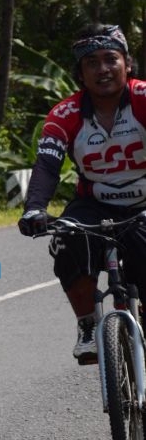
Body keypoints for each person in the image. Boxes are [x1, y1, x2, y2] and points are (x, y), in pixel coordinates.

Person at [19, 23, 146, 363]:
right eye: (92, 62)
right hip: (95, 203)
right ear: (80, 73)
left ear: (127, 64)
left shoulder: (143, 98)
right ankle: (88, 324)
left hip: (143, 204)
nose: (102, 69)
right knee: (66, 239)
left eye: (110, 59)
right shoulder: (66, 114)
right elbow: (47, 165)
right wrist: (34, 209)